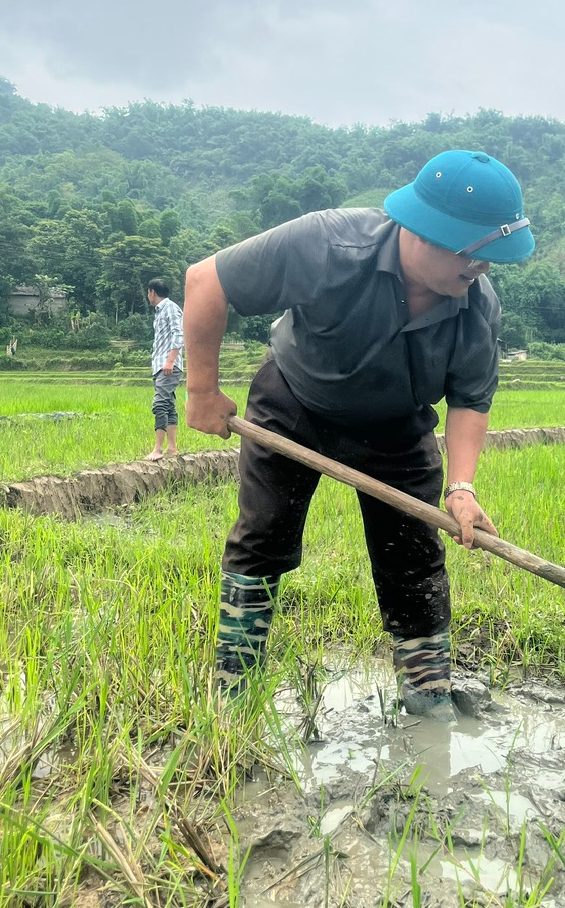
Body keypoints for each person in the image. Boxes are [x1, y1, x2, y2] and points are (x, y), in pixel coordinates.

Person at [184, 150, 535, 720]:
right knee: (263, 536)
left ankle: (428, 696)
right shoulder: (328, 243)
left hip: (396, 427)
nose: (482, 271)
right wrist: (202, 390)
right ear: (426, 234)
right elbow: (206, 280)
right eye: (476, 257)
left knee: (414, 555)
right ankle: (233, 685)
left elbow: (471, 400)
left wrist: (463, 487)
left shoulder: (476, 305)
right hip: (293, 402)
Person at [146, 278, 184, 460]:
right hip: (161, 365)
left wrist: (170, 361)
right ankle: (172, 448)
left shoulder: (170, 308)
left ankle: (157, 449)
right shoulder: (160, 311)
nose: (148, 296)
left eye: (148, 293)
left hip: (167, 365)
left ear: (152, 292)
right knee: (168, 404)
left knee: (159, 404)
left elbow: (179, 333)